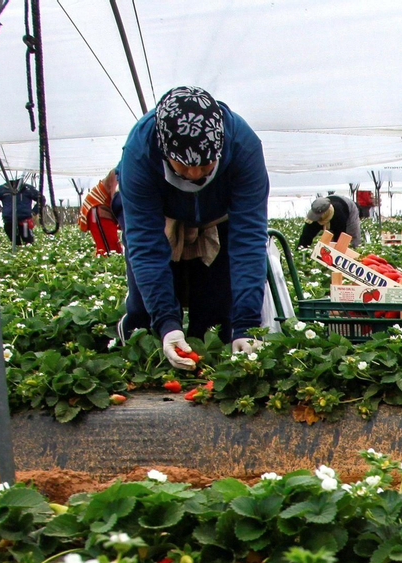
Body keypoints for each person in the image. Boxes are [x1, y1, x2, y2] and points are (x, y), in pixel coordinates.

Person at [116, 86, 270, 364]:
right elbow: (145, 245)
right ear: (164, 151)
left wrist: (246, 325)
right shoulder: (139, 153)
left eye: (206, 163)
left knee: (215, 309)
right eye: (184, 165)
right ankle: (149, 348)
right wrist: (166, 324)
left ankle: (214, 358)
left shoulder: (243, 147)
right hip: (161, 219)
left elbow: (248, 239)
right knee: (146, 314)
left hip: (217, 219)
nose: (195, 174)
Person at [78, 171, 121, 255]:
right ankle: (106, 266)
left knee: (112, 247)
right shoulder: (119, 172)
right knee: (109, 249)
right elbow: (116, 199)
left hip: (105, 208)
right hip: (97, 207)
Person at [0, 177, 43, 245]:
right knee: (15, 242)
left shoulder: (27, 189)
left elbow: (41, 199)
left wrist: (34, 211)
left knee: (28, 241)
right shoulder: (3, 189)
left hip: (24, 220)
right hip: (9, 220)